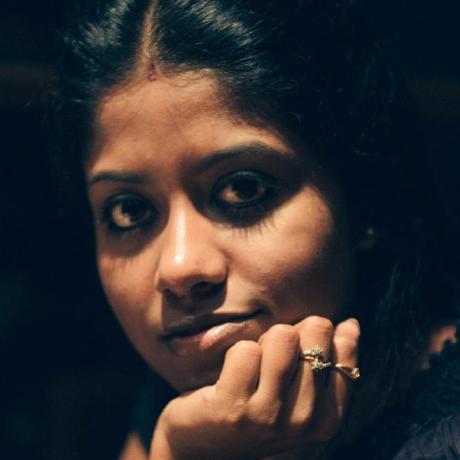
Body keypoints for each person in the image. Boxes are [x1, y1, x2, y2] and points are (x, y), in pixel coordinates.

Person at [50, 0, 460, 458]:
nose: (179, 268)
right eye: (130, 211)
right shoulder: (193, 386)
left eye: (243, 189)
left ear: (367, 198)